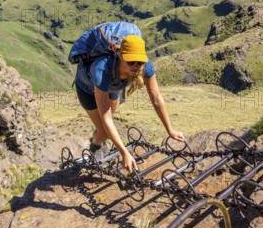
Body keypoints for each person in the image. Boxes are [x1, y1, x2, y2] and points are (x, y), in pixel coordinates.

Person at [74, 34, 185, 173]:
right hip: (87, 89)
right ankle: (95, 146)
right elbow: (106, 118)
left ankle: (101, 139)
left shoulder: (146, 67)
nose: (136, 66)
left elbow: (156, 99)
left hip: (113, 87)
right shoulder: (102, 70)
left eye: (139, 62)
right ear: (120, 56)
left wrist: (170, 130)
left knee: (106, 129)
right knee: (104, 130)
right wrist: (124, 153)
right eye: (130, 61)